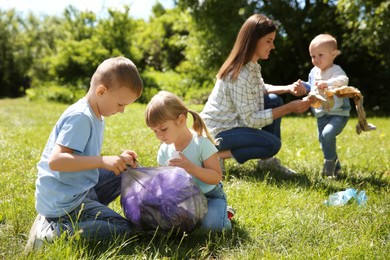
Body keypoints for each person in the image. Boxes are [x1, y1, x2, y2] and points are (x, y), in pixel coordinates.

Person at [25, 57, 143, 252]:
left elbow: (82, 156)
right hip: (65, 203)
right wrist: (103, 161)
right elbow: (56, 162)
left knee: (125, 169)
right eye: (120, 104)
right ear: (101, 91)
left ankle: (67, 216)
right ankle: (52, 233)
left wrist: (117, 159)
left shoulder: (96, 114)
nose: (122, 111)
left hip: (77, 189)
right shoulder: (81, 117)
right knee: (123, 229)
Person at [200, 14, 311, 175]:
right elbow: (251, 119)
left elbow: (261, 88)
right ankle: (215, 155)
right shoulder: (237, 74)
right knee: (272, 145)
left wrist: (288, 88)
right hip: (217, 133)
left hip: (233, 125)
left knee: (274, 100)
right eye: (269, 41)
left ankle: (266, 162)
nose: (272, 46)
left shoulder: (252, 66)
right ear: (253, 40)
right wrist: (290, 108)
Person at [145, 91, 232, 231]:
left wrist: (191, 168)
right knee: (169, 225)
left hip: (210, 197)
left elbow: (216, 177)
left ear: (181, 120)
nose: (159, 135)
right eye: (154, 131)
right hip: (185, 199)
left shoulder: (201, 144)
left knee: (212, 227)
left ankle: (224, 214)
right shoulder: (164, 151)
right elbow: (165, 182)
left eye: (163, 129)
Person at [300, 34, 350, 177]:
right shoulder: (314, 71)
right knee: (324, 140)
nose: (316, 60)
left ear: (333, 54)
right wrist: (303, 86)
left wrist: (327, 83)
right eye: (313, 56)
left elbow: (343, 80)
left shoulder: (336, 70)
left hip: (338, 113)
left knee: (328, 134)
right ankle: (337, 168)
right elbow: (312, 86)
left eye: (320, 55)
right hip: (321, 114)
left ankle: (329, 164)